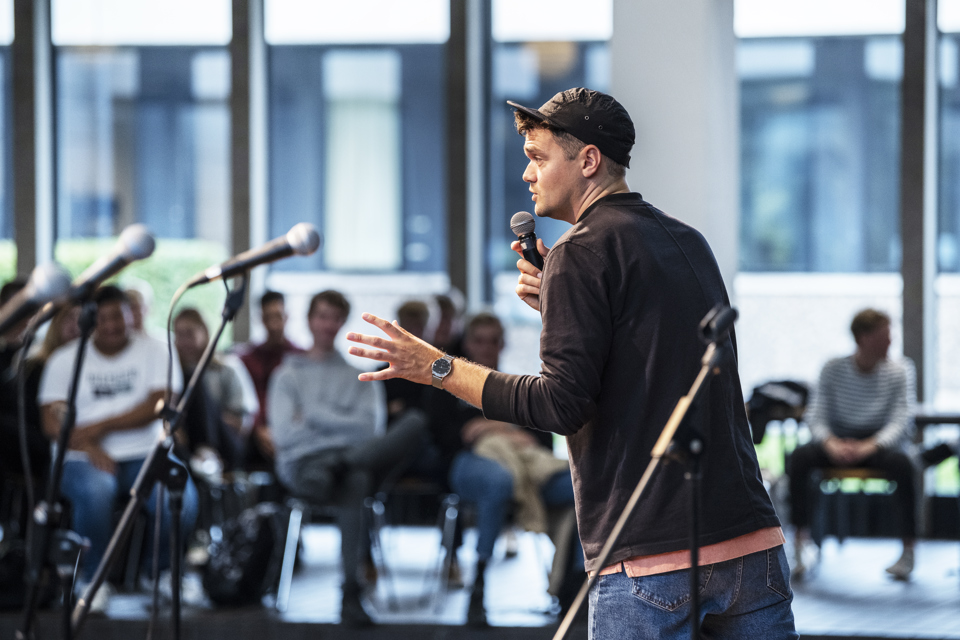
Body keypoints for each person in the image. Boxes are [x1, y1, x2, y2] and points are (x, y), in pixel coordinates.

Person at [346, 88, 796, 639]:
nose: (526, 175)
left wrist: (437, 366)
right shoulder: (689, 240)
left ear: (587, 160)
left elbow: (560, 403)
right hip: (752, 545)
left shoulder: (580, 251)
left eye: (538, 158)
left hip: (651, 557)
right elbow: (653, 360)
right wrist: (562, 309)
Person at [268, 290, 427, 626]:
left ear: (342, 322)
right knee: (355, 478)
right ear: (310, 320)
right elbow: (285, 437)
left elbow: (370, 430)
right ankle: (350, 596)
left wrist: (311, 415)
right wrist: (340, 423)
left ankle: (351, 592)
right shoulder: (287, 375)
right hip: (305, 466)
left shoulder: (359, 375)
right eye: (322, 316)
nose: (328, 324)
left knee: (413, 424)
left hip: (350, 458)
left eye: (335, 318)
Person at [38, 286, 199, 614]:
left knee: (176, 494)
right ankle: (92, 579)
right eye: (103, 318)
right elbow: (52, 423)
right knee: (98, 490)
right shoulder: (64, 359)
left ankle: (163, 574)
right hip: (78, 458)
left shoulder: (157, 349)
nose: (111, 325)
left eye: (118, 316)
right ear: (89, 320)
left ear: (131, 315)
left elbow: (158, 404)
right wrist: (90, 445)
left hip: (145, 452)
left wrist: (98, 428)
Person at [424, 312, 581, 626]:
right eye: (478, 340)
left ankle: (572, 584)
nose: (485, 347)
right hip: (469, 465)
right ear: (465, 343)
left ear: (502, 344)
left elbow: (536, 436)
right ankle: (478, 584)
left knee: (584, 485)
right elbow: (449, 438)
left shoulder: (514, 387)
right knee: (498, 481)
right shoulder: (445, 387)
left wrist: (486, 428)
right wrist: (504, 430)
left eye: (492, 341)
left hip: (527, 467)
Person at [789, 309, 918, 580]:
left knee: (904, 464)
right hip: (838, 441)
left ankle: (908, 551)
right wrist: (830, 443)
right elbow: (816, 415)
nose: (890, 342)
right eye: (884, 336)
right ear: (863, 338)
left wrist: (871, 446)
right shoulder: (833, 368)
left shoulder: (900, 371)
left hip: (876, 445)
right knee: (799, 458)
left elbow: (901, 420)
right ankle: (800, 546)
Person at [173, 307, 253, 471]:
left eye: (189, 333)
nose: (184, 341)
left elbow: (242, 424)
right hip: (186, 444)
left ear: (204, 332)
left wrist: (208, 417)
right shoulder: (173, 373)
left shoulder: (229, 367)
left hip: (226, 446)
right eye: (179, 335)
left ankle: (206, 450)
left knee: (194, 380)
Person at [237, 290, 303, 470]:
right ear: (261, 319)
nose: (274, 324)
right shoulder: (247, 359)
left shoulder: (301, 359)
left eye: (278, 316)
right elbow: (247, 400)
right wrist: (259, 429)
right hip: (257, 433)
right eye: (268, 318)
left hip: (292, 431)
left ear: (286, 317)